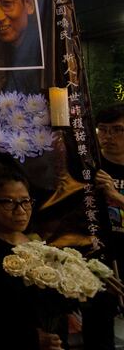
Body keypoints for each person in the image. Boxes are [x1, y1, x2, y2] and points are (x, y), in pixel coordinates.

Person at [0, 169, 63, 350]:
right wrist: (29, 336)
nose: (20, 211)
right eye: (9, 202)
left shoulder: (38, 245)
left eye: (25, 202)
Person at [82, 104, 124, 350]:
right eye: (103, 130)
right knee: (98, 329)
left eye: (117, 130)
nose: (108, 137)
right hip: (101, 259)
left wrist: (115, 196)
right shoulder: (90, 169)